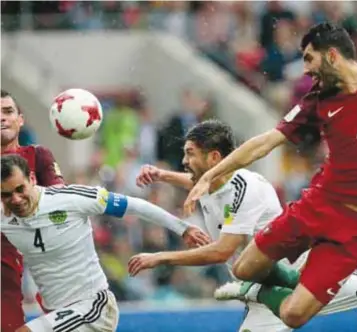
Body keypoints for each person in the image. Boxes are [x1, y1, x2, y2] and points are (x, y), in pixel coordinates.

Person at [183, 23, 357, 328]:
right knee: (244, 268)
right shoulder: (319, 98)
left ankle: (264, 295)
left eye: (309, 59)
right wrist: (210, 175)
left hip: (350, 232)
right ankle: (272, 283)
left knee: (293, 314)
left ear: (331, 56)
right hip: (319, 205)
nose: (305, 70)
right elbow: (265, 142)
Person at [132, 119, 357, 332]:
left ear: (214, 158)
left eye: (190, 154)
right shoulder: (211, 183)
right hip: (264, 286)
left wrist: (160, 257)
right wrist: (162, 175)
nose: (184, 161)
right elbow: (197, 182)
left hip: (300, 276)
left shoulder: (245, 188)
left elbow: (222, 251)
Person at [1, 154, 210, 332]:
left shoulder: (69, 199)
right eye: (7, 195)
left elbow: (135, 205)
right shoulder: (4, 218)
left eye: (20, 189)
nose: (16, 199)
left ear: (32, 179)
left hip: (93, 307)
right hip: (55, 312)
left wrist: (183, 228)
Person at [1, 89, 64, 332]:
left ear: (21, 119)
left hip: (46, 252)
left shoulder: (38, 155)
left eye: (8, 112)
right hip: (3, 261)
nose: (2, 118)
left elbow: (63, 201)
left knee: (71, 323)